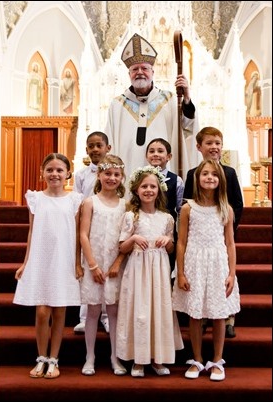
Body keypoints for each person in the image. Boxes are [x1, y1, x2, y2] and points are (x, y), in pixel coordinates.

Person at [13, 153, 83, 379]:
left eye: (59, 170)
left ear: (67, 174)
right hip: (42, 258)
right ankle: (41, 358)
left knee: (60, 309)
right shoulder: (35, 198)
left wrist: (77, 263)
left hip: (63, 258)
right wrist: (25, 263)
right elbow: (32, 231)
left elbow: (76, 234)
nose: (55, 174)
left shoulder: (74, 200)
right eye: (50, 170)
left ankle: (54, 359)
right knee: (42, 311)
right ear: (42, 173)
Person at [172, 159, 240, 381]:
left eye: (214, 174)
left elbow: (230, 243)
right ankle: (198, 359)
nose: (209, 177)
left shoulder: (225, 209)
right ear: (197, 178)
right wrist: (180, 272)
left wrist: (232, 273)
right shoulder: (187, 208)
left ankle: (217, 361)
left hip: (218, 264)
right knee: (195, 314)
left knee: (219, 314)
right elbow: (181, 242)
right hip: (194, 263)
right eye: (205, 174)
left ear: (220, 180)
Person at [116, 165, 184, 378]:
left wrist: (168, 241)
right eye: (144, 186)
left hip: (159, 271)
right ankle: (138, 359)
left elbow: (172, 247)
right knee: (140, 311)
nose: (148, 190)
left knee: (158, 310)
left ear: (159, 190)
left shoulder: (167, 218)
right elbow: (121, 247)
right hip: (138, 270)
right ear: (136, 190)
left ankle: (157, 358)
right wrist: (133, 239)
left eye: (152, 186)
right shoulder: (130, 216)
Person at [105, 32, 199, 181]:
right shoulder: (117, 105)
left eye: (145, 68)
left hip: (163, 173)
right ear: (129, 73)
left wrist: (186, 97)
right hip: (127, 171)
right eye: (135, 69)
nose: (140, 72)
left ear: (153, 72)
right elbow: (109, 142)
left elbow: (187, 128)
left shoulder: (170, 100)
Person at [183, 126, 243, 338]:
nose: (214, 147)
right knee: (203, 279)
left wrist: (226, 228)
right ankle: (205, 315)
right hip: (200, 236)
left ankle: (227, 319)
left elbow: (237, 203)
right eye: (209, 143)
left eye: (218, 143)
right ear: (199, 147)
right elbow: (188, 202)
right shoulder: (193, 174)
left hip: (221, 233)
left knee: (222, 276)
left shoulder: (229, 172)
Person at [80, 154, 127, 376]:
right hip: (95, 263)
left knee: (115, 311)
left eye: (116, 174)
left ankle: (115, 357)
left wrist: (117, 262)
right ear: (99, 175)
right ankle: (90, 356)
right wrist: (92, 264)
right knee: (93, 311)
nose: (112, 178)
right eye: (107, 173)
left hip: (115, 266)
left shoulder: (125, 205)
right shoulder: (90, 202)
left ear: (122, 177)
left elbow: (127, 237)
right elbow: (83, 234)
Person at [73, 131, 111, 334]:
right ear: (86, 150)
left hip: (107, 226)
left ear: (108, 148)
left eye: (99, 145)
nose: (95, 149)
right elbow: (77, 202)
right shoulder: (81, 175)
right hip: (87, 227)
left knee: (104, 271)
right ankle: (85, 316)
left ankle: (105, 316)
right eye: (91, 146)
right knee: (88, 272)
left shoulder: (113, 173)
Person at [145, 137, 184, 274]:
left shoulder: (176, 180)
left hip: (167, 229)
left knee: (166, 267)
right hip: (145, 227)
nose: (155, 154)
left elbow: (180, 209)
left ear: (169, 157)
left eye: (160, 151)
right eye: (152, 151)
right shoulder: (140, 178)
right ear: (146, 156)